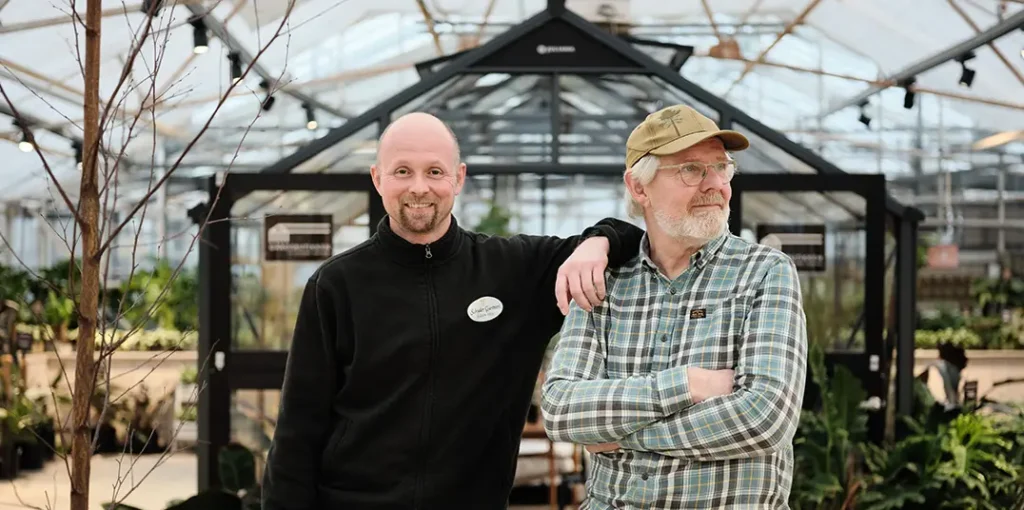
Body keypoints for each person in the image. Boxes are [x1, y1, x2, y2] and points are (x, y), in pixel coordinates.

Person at [260, 112, 646, 509]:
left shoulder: (514, 271)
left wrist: (597, 242)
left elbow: (635, 239)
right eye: (402, 171)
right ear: (377, 179)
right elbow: (298, 428)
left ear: (459, 178)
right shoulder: (336, 284)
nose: (419, 187)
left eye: (434, 171)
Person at [541, 105, 808, 509]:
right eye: (691, 169)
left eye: (722, 167)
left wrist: (623, 437)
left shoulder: (765, 272)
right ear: (639, 187)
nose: (716, 184)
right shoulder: (603, 280)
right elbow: (562, 410)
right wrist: (686, 384)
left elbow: (765, 417)